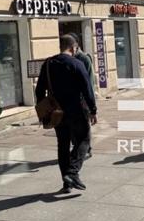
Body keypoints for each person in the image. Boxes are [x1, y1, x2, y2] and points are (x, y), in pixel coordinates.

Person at [35, 34, 98, 193]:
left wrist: (44, 110)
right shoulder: (76, 64)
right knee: (84, 140)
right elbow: (87, 89)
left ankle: (67, 183)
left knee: (62, 145)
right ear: (73, 47)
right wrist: (93, 110)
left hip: (56, 113)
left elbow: (39, 90)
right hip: (76, 110)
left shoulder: (48, 64)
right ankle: (72, 172)